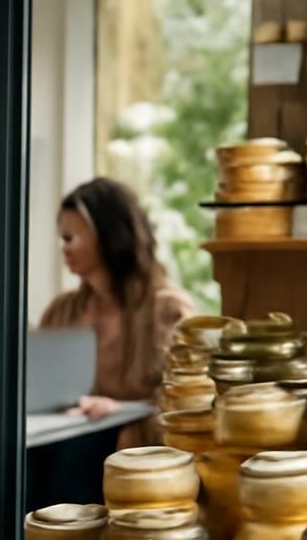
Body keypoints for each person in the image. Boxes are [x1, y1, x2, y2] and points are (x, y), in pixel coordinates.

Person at [40, 177, 196, 448]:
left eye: (70, 238)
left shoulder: (170, 312)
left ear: (108, 235)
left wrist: (120, 409)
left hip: (134, 451)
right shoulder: (60, 312)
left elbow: (190, 401)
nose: (63, 249)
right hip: (66, 442)